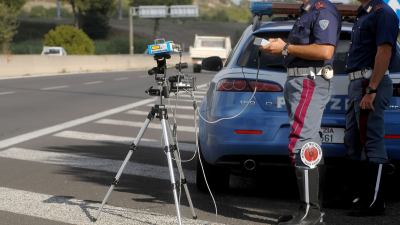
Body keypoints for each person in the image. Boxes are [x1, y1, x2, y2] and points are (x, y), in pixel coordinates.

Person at [260, 0, 341, 224]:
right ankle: (311, 210)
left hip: (309, 80)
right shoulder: (308, 12)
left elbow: (325, 50)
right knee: (309, 141)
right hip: (299, 79)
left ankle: (310, 213)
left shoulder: (323, 10)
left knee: (302, 141)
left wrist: (285, 47)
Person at [344, 0, 399, 217]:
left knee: (372, 141)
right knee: (352, 140)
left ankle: (375, 202)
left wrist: (372, 89)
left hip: (370, 83)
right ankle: (355, 196)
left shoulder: (383, 13)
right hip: (356, 83)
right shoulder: (364, 13)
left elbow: (384, 52)